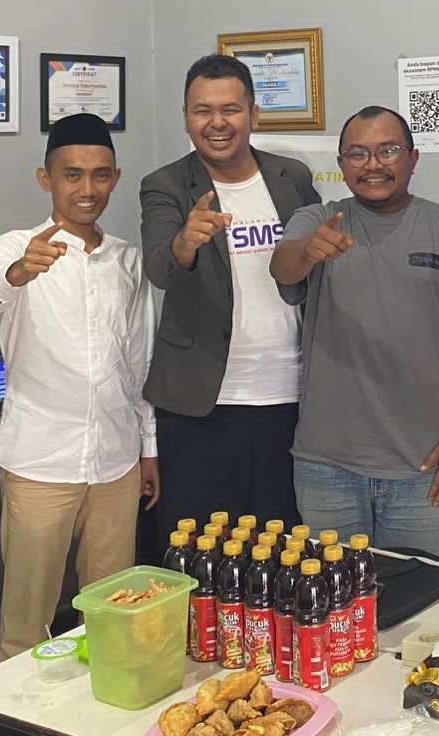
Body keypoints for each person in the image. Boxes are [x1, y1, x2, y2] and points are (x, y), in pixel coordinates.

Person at [0, 113, 159, 660]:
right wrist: (18, 273)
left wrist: (148, 448)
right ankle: (18, 707)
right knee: (28, 622)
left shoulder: (127, 259)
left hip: (116, 463)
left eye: (100, 174)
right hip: (40, 463)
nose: (87, 188)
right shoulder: (17, 246)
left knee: (113, 613)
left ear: (115, 178)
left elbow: (140, 362)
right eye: (72, 174)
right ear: (45, 178)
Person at [272, 105, 439, 557]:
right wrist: (310, 250)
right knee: (334, 595)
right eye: (357, 153)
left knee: (419, 595)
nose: (372, 164)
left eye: (388, 151)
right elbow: (283, 267)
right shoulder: (317, 220)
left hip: (424, 467)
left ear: (412, 159)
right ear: (341, 165)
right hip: (327, 469)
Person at [140, 55, 319, 547]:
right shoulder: (165, 184)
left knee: (281, 549)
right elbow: (159, 268)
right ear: (185, 118)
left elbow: (311, 269)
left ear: (253, 115)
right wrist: (185, 241)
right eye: (203, 110)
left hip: (289, 398)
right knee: (201, 550)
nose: (216, 122)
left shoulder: (291, 177)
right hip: (201, 404)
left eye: (230, 109)